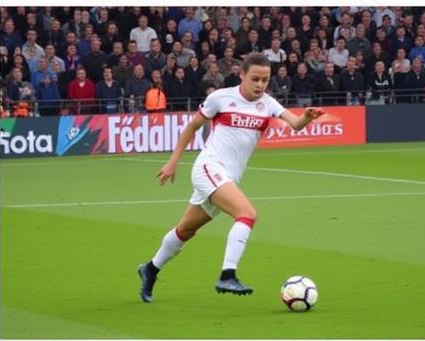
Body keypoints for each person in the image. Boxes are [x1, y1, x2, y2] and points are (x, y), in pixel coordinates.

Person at [138, 54, 324, 301]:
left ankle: (150, 269)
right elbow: (191, 127)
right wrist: (173, 162)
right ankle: (228, 275)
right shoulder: (221, 97)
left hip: (228, 178)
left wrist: (306, 117)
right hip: (208, 167)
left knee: (186, 230)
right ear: (242, 75)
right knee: (247, 214)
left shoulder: (268, 104)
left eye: (265, 80)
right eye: (255, 79)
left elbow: (295, 124)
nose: (260, 85)